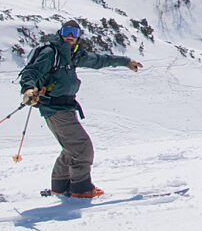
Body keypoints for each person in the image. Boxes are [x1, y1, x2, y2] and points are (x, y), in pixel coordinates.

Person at [18, 20, 142, 198]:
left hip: (65, 107)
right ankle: (81, 189)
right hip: (54, 107)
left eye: (74, 33)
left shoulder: (72, 55)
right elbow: (31, 72)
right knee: (82, 147)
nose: (70, 36)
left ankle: (60, 187)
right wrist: (28, 88)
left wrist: (125, 61)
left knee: (71, 148)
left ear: (78, 37)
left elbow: (99, 60)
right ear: (61, 33)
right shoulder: (51, 52)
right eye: (67, 32)